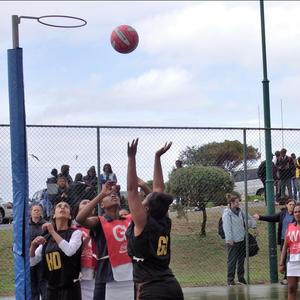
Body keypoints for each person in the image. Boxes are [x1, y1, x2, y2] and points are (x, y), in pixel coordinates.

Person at [126, 139, 184, 300]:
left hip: (152, 289)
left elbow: (131, 190)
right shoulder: (164, 220)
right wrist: (157, 158)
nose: (144, 195)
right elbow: (159, 190)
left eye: (145, 198)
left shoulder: (143, 223)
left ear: (146, 208)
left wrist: (131, 158)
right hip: (172, 286)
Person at [75, 181, 134, 300]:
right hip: (106, 274)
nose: (113, 195)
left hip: (130, 274)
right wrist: (101, 194)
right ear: (101, 205)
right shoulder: (99, 221)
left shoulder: (130, 219)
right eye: (109, 195)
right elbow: (80, 219)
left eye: (116, 194)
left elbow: (152, 207)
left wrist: (141, 186)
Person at [30, 201, 82, 300]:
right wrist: (33, 246)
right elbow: (32, 262)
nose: (62, 207)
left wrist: (52, 231)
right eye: (59, 206)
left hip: (70, 287)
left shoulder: (75, 233)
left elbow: (69, 251)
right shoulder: (47, 237)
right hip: (51, 288)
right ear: (54, 215)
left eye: (66, 206)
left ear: (70, 216)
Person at [253, 198, 296, 285]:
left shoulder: (297, 215)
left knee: (291, 259)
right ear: (286, 205)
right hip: (284, 239)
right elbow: (272, 218)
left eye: (293, 205)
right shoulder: (283, 214)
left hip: (294, 240)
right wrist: (260, 217)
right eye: (290, 204)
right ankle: (287, 276)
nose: (292, 206)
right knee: (284, 259)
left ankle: (287, 278)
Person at [222, 193, 257, 286]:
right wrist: (229, 239)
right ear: (231, 203)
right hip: (232, 241)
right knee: (232, 260)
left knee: (241, 260)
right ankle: (230, 280)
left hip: (242, 239)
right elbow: (227, 228)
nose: (238, 204)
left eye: (238, 202)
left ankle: (241, 278)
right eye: (237, 202)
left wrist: (253, 225)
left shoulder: (241, 211)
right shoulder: (227, 214)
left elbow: (250, 218)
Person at [74, 199, 97, 300]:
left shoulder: (100, 225)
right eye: (84, 203)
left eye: (90, 202)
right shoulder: (73, 228)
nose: (88, 204)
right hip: (81, 269)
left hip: (98, 268)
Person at [279, 203, 300, 300]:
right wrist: (281, 263)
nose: (297, 213)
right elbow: (285, 246)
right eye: (295, 212)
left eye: (299, 211)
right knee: (291, 288)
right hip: (292, 261)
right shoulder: (290, 227)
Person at [29, 204, 47, 300]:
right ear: (30, 212)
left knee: (43, 282)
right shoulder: (26, 226)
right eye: (34, 210)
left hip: (42, 259)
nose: (36, 212)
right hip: (30, 259)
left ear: (41, 212)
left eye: (38, 210)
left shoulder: (46, 225)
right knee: (32, 284)